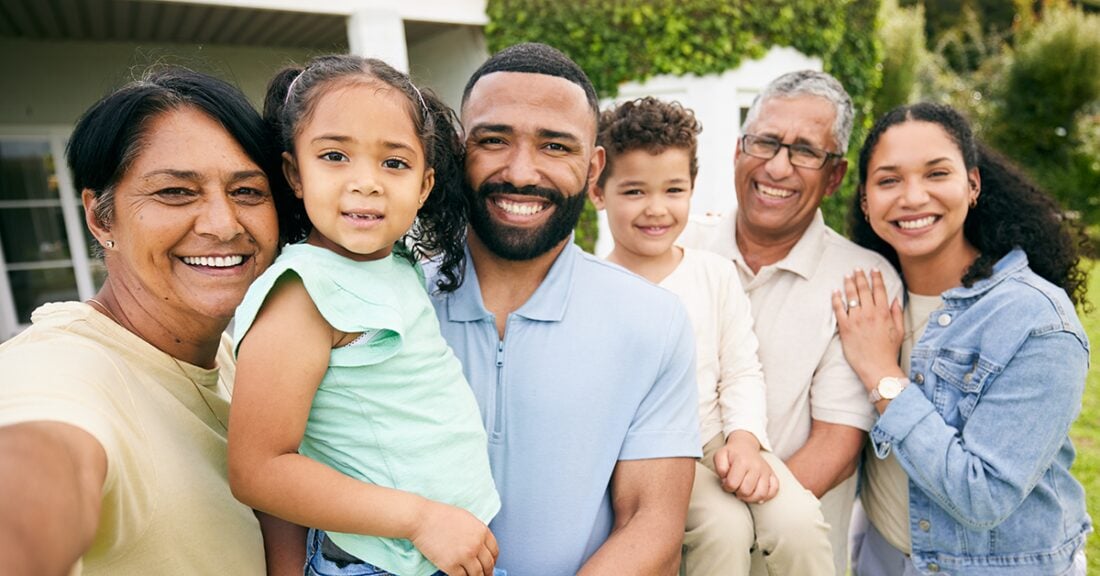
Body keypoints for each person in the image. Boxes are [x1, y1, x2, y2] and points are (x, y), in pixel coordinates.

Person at [0, 68, 287, 575]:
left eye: (247, 191)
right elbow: (37, 473)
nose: (223, 225)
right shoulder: (62, 367)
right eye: (176, 192)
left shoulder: (232, 356)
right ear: (101, 218)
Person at [430, 42, 701, 575]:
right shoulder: (386, 301)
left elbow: (651, 520)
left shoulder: (654, 321)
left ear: (593, 167)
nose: (522, 172)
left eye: (555, 146)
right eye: (493, 140)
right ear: (460, 149)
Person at [227, 55, 501, 576]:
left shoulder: (396, 265)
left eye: (394, 163)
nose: (366, 182)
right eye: (335, 156)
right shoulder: (303, 294)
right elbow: (258, 470)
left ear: (423, 186)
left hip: (443, 550)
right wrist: (420, 519)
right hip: (382, 561)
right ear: (294, 174)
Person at [836, 102, 1092, 576]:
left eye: (936, 174)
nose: (913, 197)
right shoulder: (863, 298)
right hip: (878, 556)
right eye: (889, 180)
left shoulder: (1035, 319)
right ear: (865, 200)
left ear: (972, 185)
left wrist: (882, 373)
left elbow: (982, 496)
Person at [590, 96, 834, 575]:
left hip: (719, 437)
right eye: (634, 191)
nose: (656, 209)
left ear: (693, 188)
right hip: (649, 453)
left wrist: (744, 441)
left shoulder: (714, 275)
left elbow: (742, 369)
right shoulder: (592, 288)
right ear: (598, 192)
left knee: (798, 521)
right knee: (722, 529)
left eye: (673, 190)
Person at [677, 69, 903, 575]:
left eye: (804, 151)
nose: (778, 167)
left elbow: (836, 448)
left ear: (836, 176)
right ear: (739, 149)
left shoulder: (863, 281)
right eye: (765, 142)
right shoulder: (671, 246)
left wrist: (731, 535)